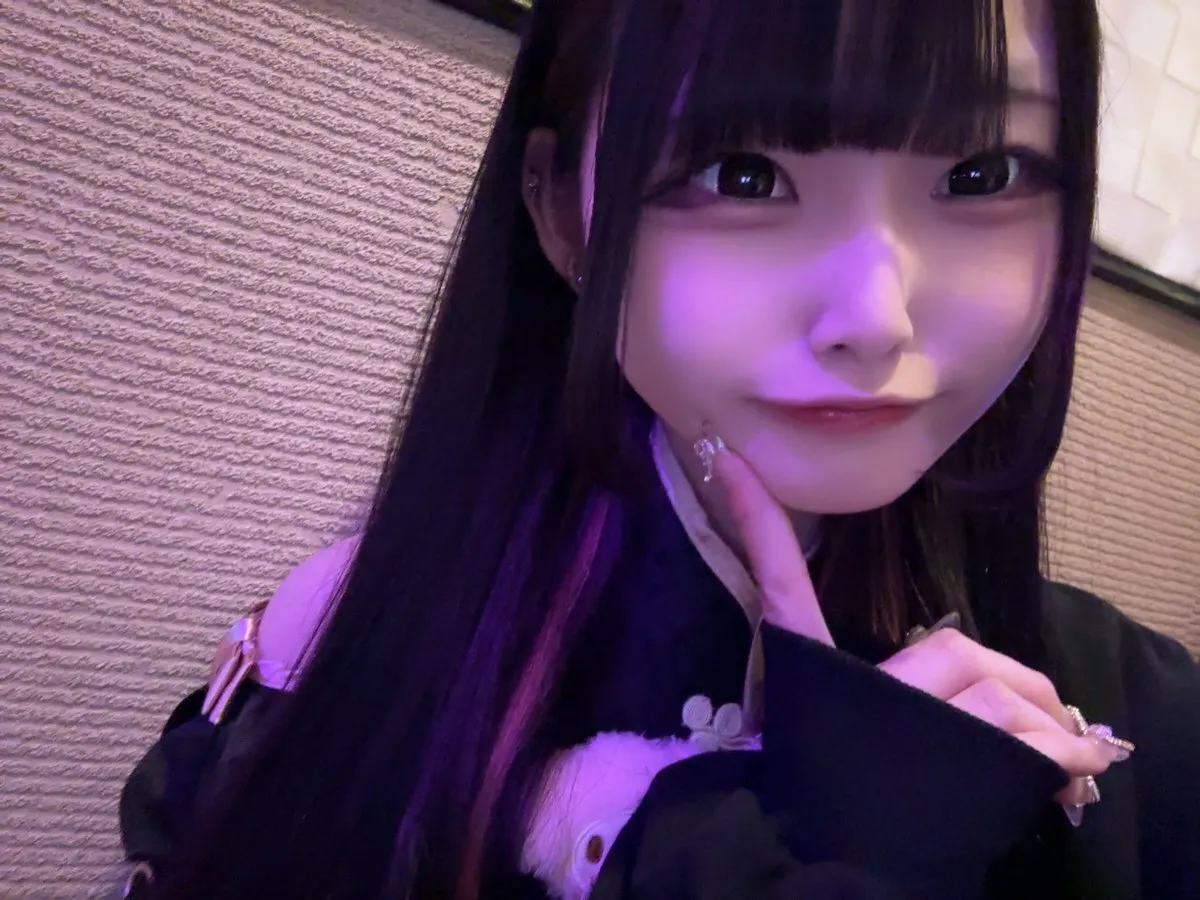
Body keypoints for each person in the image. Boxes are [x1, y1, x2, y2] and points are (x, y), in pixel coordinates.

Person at [118, 0, 1200, 898]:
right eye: (743, 174)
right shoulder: (341, 649)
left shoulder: (1141, 704)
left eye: (982, 175)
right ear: (563, 215)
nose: (874, 319)